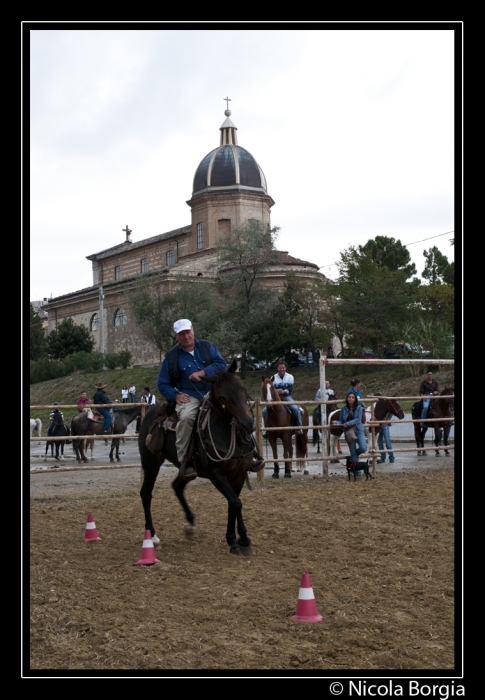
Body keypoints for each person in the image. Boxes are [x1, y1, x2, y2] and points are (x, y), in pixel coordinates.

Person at [157, 319, 230, 480]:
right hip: (189, 395)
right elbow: (162, 383)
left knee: (235, 410)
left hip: (213, 391)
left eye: (187, 332)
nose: (186, 336)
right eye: (181, 334)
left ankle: (249, 452)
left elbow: (221, 364)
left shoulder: (206, 346)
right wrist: (175, 395)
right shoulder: (171, 357)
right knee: (188, 417)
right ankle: (184, 460)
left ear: (192, 330)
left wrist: (202, 373)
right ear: (177, 336)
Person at [263, 359, 303, 435]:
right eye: (280, 368)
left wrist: (284, 391)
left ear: (285, 368)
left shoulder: (290, 377)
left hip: (286, 396)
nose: (281, 369)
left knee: (295, 408)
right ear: (277, 368)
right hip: (276, 397)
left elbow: (291, 387)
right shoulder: (273, 377)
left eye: (283, 367)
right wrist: (277, 390)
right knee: (264, 411)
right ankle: (266, 429)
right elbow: (271, 388)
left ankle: (299, 426)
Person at [335, 392, 367, 467]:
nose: (351, 399)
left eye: (353, 397)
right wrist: (337, 422)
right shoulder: (343, 409)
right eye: (349, 397)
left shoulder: (359, 407)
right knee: (353, 451)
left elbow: (358, 419)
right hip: (348, 431)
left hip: (358, 429)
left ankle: (354, 455)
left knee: (363, 448)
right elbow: (341, 420)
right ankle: (357, 473)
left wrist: (348, 423)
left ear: (355, 399)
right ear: (347, 398)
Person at [374, 393, 395, 464]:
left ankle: (391, 456)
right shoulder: (375, 405)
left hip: (384, 424)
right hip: (379, 425)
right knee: (380, 442)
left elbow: (391, 411)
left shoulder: (384, 404)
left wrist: (388, 419)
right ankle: (383, 457)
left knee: (387, 441)